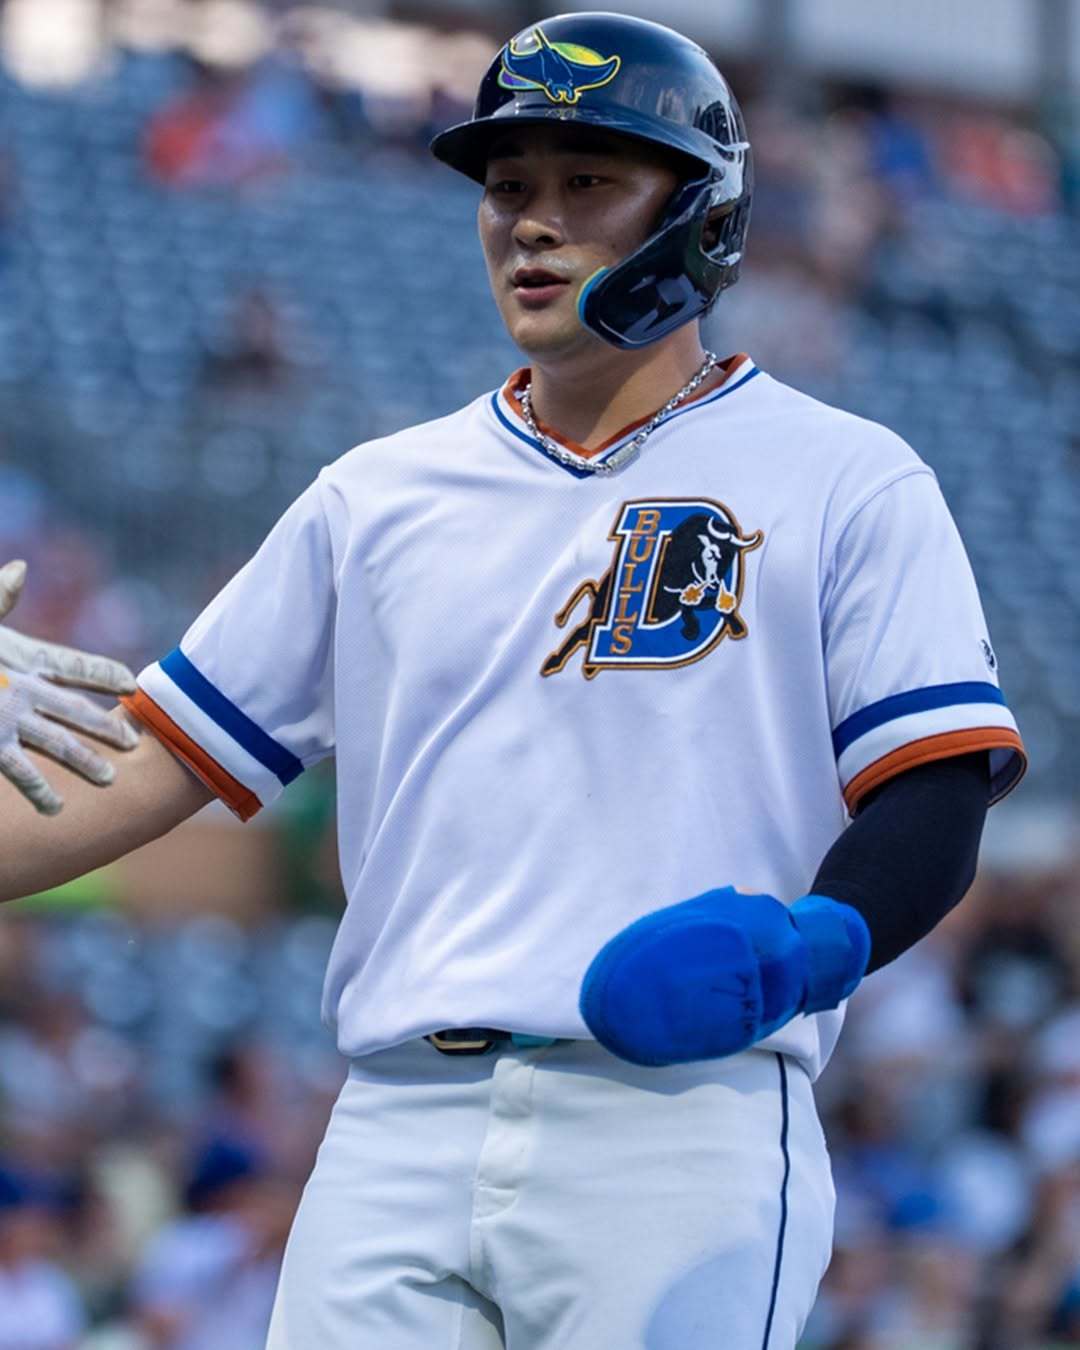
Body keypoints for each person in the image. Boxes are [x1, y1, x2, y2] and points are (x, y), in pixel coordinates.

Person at [0, 13, 1026, 1348]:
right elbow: (132, 768)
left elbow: (935, 795)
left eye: (588, 181)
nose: (532, 222)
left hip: (678, 1117)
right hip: (393, 1121)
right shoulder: (374, 497)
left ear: (703, 214)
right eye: (508, 184)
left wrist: (814, 944)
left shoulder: (847, 477)